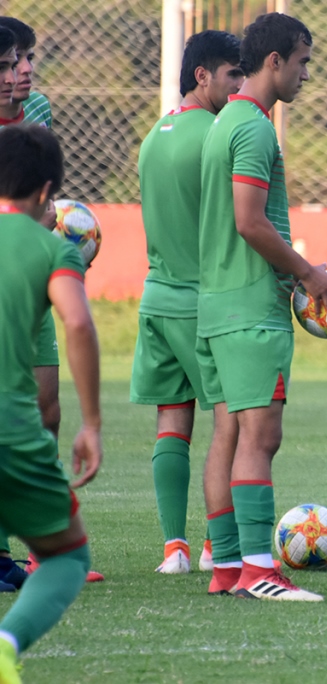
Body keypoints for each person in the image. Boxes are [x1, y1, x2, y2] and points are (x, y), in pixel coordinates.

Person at [198, 13, 327, 601]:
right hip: (251, 310)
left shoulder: (223, 121)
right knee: (260, 440)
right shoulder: (256, 129)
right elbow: (250, 222)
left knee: (228, 437)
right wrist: (307, 273)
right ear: (275, 61)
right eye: (303, 62)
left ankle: (227, 569)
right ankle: (260, 571)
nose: (306, 74)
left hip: (215, 306)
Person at [133, 30, 244, 576]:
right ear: (202, 75)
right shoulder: (218, 134)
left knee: (172, 423)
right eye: (233, 74)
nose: (240, 86)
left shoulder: (155, 134)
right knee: (234, 425)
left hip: (157, 298)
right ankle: (215, 546)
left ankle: (173, 548)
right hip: (203, 303)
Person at [0, 16, 104, 591]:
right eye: (11, 62)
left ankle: (42, 545)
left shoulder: (37, 111)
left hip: (32, 279)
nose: (23, 70)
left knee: (45, 409)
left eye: (26, 58)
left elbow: (42, 193)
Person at [0, 124, 102, 684]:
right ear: (46, 192)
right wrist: (92, 423)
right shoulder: (52, 248)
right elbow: (78, 323)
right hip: (14, 432)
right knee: (67, 557)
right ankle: (6, 646)